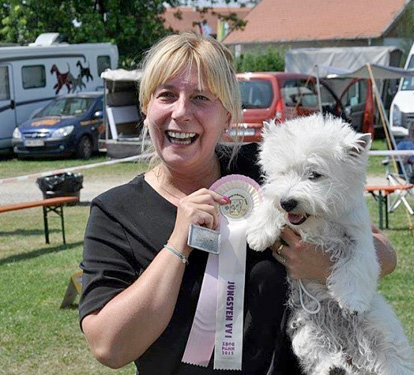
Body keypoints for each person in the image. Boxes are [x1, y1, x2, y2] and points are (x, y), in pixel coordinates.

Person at [79, 33, 397, 375]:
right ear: (146, 108)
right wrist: (176, 246)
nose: (181, 112)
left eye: (200, 97)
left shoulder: (269, 172)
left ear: (228, 116)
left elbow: (385, 254)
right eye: (166, 95)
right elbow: (109, 347)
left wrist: (324, 266)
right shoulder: (115, 213)